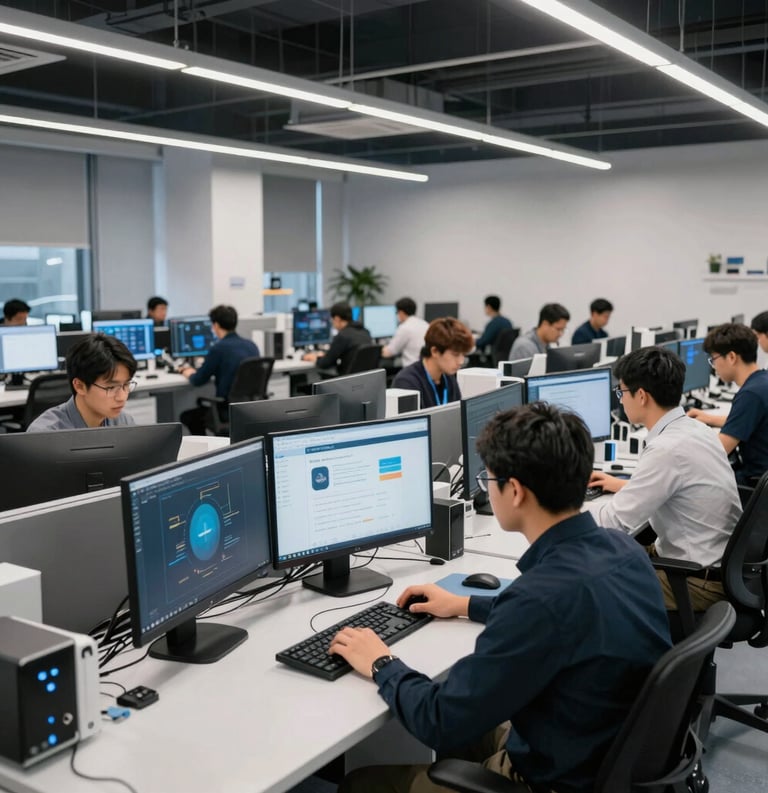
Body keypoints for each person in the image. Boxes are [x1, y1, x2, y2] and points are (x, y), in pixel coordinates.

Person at [331, 403, 671, 793]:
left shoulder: (538, 599)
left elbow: (438, 719)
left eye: (487, 479)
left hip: (553, 776)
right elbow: (563, 617)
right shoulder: (623, 549)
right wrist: (464, 604)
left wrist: (381, 662)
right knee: (471, 728)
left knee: (361, 784)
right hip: (597, 744)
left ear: (515, 491)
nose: (485, 488)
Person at [588, 346, 741, 610]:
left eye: (621, 392)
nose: (620, 400)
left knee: (589, 583)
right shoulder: (696, 429)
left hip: (696, 581)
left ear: (642, 396)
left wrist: (560, 514)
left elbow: (615, 522)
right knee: (607, 555)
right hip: (716, 565)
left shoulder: (667, 449)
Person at [688, 323, 768, 484]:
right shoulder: (762, 381)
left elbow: (718, 451)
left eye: (714, 359)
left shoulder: (749, 395)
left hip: (754, 487)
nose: (714, 367)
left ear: (731, 357)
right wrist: (710, 418)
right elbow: (750, 420)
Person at [27, 334, 137, 432]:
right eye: (112, 387)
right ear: (79, 386)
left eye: (126, 385)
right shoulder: (45, 434)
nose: (122, 397)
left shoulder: (125, 423)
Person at [179, 305, 260, 435]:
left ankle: (205, 453)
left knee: (189, 417)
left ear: (215, 325)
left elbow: (198, 380)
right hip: (249, 409)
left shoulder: (218, 349)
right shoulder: (252, 346)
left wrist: (188, 372)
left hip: (226, 410)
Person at [392, 317, 474, 408]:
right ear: (435, 351)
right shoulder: (407, 382)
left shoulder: (448, 377)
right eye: (455, 354)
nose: (461, 361)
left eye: (463, 355)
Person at [301, 302, 372, 374]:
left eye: (332, 320)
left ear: (337, 319)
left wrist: (314, 358)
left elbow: (325, 363)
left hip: (346, 380)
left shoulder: (343, 336)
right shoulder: (365, 332)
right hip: (363, 379)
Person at [381, 297, 429, 367]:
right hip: (425, 367)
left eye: (397, 312)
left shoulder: (404, 328)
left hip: (412, 369)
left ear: (401, 312)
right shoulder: (425, 324)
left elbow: (388, 353)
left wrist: (381, 348)